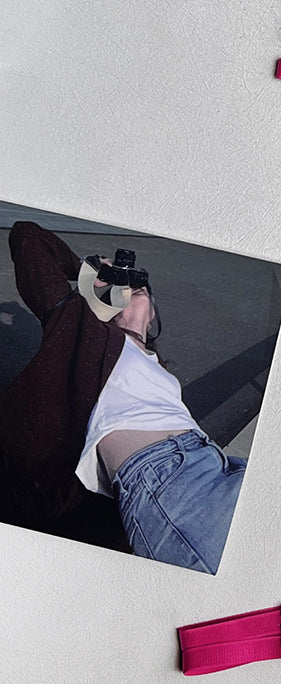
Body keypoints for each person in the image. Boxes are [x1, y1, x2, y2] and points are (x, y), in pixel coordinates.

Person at [0, 220, 245, 573]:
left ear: (153, 315)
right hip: (163, 478)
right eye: (128, 286)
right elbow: (26, 237)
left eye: (142, 287)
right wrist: (88, 270)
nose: (135, 288)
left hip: (218, 462)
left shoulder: (158, 368)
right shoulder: (81, 331)